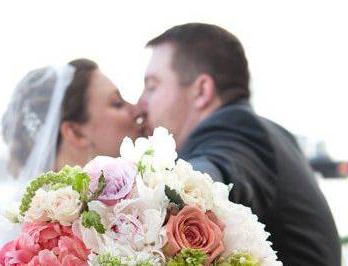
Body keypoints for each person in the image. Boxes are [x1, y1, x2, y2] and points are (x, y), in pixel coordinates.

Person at [138, 23, 341, 265]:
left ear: (202, 91)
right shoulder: (274, 134)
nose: (140, 103)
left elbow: (218, 166)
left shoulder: (236, 130)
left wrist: (169, 185)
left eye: (152, 86)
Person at [0, 58, 141, 265]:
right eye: (117, 103)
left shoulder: (125, 209)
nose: (137, 110)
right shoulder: (38, 238)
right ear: (75, 133)